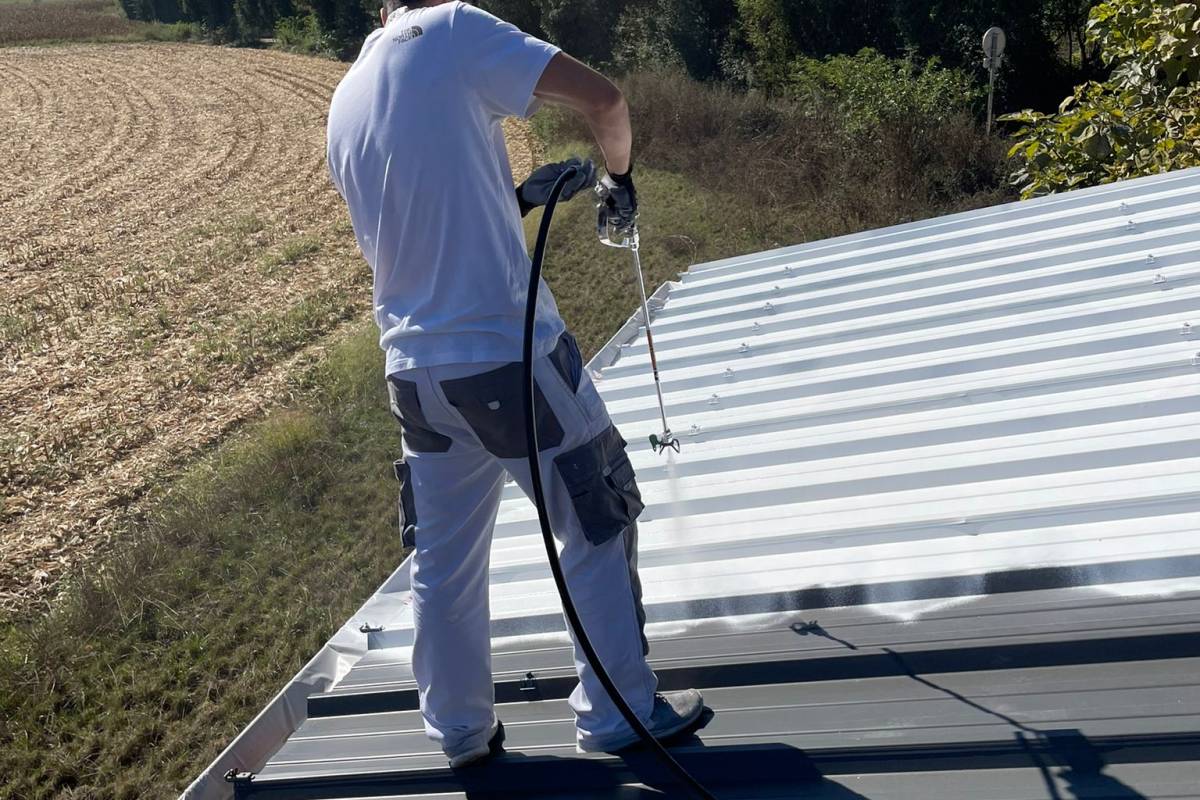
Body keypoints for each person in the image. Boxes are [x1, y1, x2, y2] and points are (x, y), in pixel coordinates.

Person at [325, 0, 705, 769]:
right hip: (506, 354)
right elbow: (605, 100)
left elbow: (418, 223)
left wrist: (519, 199)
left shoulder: (348, 95)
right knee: (597, 512)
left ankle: (460, 733)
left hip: (414, 373)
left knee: (443, 558)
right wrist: (618, 178)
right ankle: (619, 711)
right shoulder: (455, 28)